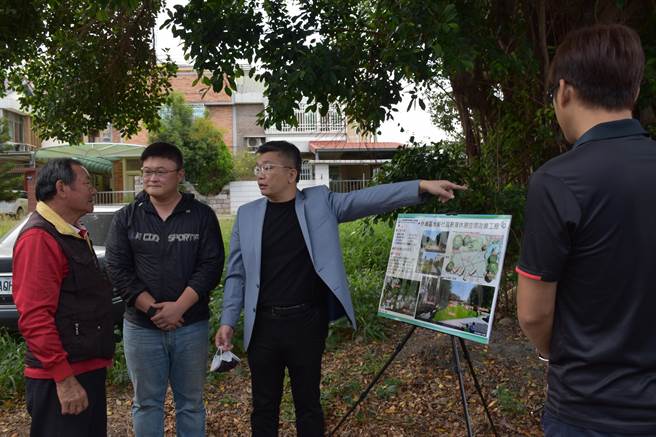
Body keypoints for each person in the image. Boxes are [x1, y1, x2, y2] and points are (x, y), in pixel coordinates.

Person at [216, 140, 465, 436]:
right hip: (263, 326)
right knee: (264, 406)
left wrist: (420, 186)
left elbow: (369, 198)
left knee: (308, 403)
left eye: (268, 168)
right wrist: (228, 320)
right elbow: (236, 273)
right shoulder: (247, 214)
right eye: (258, 168)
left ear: (292, 174)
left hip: (306, 323)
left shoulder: (321, 203)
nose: (260, 175)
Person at [516, 24, 656, 436]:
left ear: (564, 92)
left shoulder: (558, 181)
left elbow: (533, 313)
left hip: (588, 411)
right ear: (632, 93)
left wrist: (549, 352)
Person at [105, 142, 224, 437]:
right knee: (146, 403)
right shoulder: (127, 217)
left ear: (179, 174)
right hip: (142, 327)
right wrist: (154, 309)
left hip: (190, 325)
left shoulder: (201, 216)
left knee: (191, 403)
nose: (152, 178)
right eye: (146, 172)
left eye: (161, 171)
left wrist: (179, 308)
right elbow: (118, 269)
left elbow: (210, 265)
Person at [12, 158, 114, 437]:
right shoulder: (39, 238)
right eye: (87, 183)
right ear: (62, 188)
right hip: (62, 377)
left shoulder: (71, 232)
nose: (93, 190)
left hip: (83, 369)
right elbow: (34, 318)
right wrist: (64, 379)